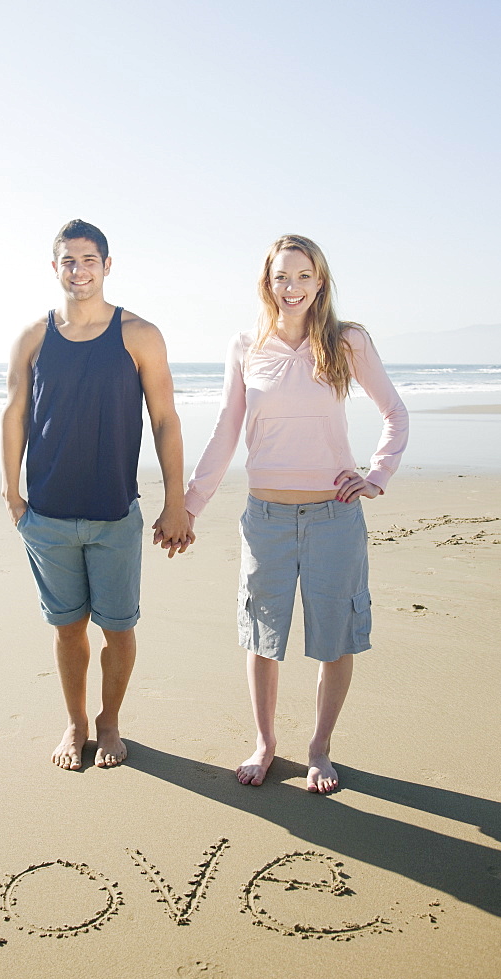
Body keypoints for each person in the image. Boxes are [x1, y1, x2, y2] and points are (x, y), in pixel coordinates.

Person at [184, 235, 408, 793]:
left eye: (303, 276)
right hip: (267, 521)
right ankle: (265, 743)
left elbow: (395, 413)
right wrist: (189, 506)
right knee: (262, 639)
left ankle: (319, 748)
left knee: (333, 641)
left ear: (320, 281)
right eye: (282, 276)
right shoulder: (244, 346)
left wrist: (376, 476)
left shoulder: (346, 342)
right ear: (268, 282)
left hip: (335, 519)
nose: (292, 287)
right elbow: (225, 433)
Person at [2, 219, 193, 771]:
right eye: (68, 260)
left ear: (107, 266)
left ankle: (109, 722)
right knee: (67, 630)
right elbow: (15, 413)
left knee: (119, 627)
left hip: (115, 515)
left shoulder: (139, 335)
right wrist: (12, 495)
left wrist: (174, 502)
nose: (78, 270)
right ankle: (76, 722)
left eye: (89, 260)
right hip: (48, 517)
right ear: (54, 266)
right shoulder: (34, 338)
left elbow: (165, 420)